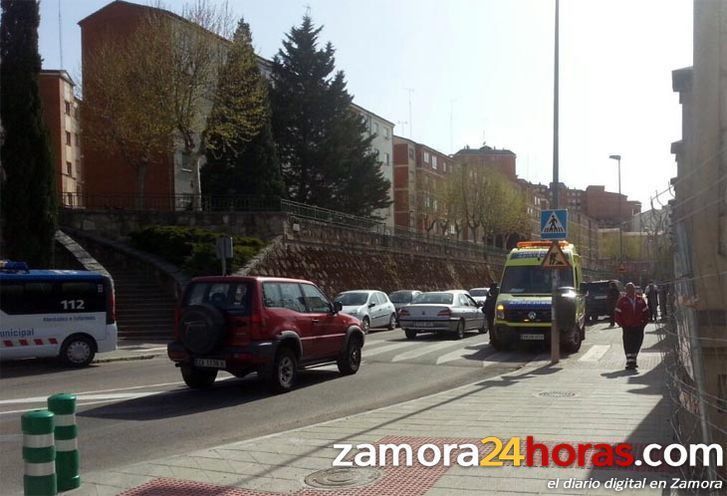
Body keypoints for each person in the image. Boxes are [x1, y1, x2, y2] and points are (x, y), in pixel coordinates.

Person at [614, 282, 650, 370]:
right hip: (627, 327)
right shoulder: (622, 301)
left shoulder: (640, 300)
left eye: (632, 289)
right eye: (628, 289)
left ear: (634, 290)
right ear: (626, 290)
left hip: (638, 326)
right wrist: (622, 325)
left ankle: (633, 360)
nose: (630, 291)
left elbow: (646, 313)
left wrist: (643, 324)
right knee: (628, 344)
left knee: (637, 343)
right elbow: (617, 314)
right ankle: (630, 362)